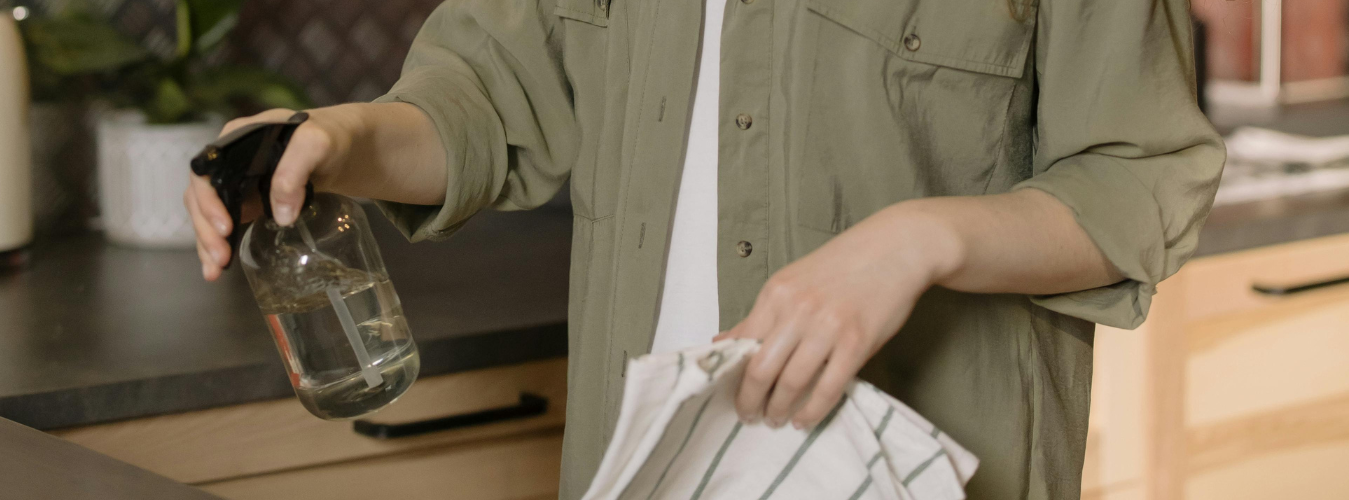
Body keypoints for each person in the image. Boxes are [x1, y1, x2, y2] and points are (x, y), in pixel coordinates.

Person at [185, 0, 1224, 498]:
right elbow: (487, 98)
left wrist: (922, 239)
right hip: (639, 473)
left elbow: (1141, 173)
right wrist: (339, 138)